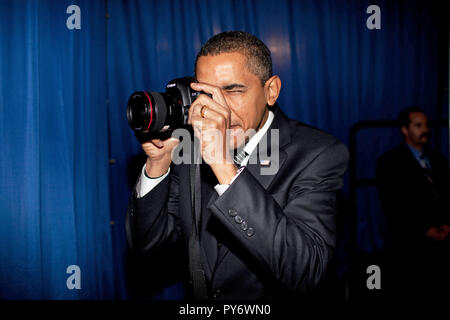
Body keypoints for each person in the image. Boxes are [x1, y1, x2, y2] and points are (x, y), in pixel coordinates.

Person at [126, 31, 349, 300]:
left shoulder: (318, 153)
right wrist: (158, 165)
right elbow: (147, 247)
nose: (218, 108)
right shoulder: (190, 150)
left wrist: (222, 165)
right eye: (206, 93)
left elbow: (305, 272)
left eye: (233, 90)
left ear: (271, 91)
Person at [376, 107, 450, 300]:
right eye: (418, 125)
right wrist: (425, 229)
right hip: (410, 244)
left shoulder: (438, 159)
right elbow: (394, 205)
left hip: (441, 240)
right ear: (405, 129)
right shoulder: (390, 162)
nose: (425, 129)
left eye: (426, 125)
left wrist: (446, 226)